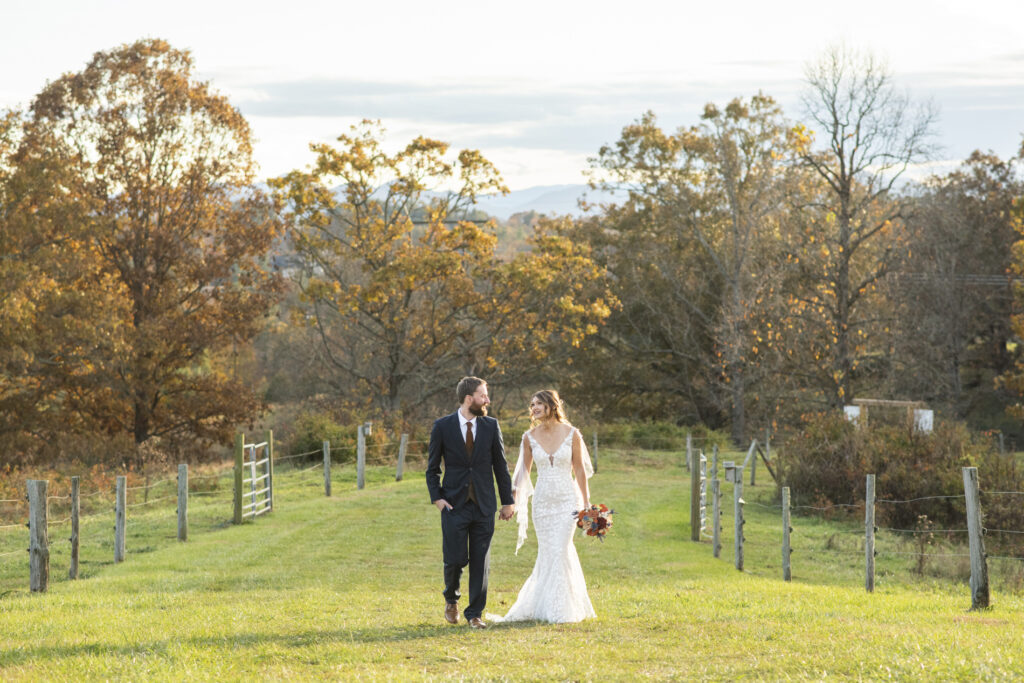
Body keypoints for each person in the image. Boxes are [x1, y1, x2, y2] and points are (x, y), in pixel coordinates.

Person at [489, 389, 596, 624]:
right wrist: (512, 498)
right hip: (543, 503)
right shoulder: (529, 437)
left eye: (538, 404)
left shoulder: (572, 434)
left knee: (560, 548)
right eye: (532, 405)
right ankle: (544, 605)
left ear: (552, 406)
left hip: (567, 501)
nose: (534, 408)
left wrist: (586, 504)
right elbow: (522, 473)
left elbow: (579, 470)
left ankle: (562, 610)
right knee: (550, 552)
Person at [427, 376, 515, 629]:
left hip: (484, 505)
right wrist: (438, 499)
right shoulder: (442, 426)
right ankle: (451, 599)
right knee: (454, 559)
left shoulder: (490, 426)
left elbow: (500, 466)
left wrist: (507, 501)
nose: (487, 400)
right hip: (453, 505)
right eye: (483, 395)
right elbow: (432, 469)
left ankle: (474, 613)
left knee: (480, 560)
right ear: (469, 398)